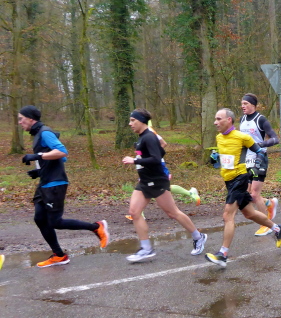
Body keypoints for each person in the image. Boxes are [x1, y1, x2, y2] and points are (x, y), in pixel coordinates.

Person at [18, 105, 109, 268]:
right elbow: (60, 159)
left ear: (31, 119)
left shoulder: (45, 132)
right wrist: (39, 171)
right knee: (39, 218)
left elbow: (62, 152)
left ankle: (97, 227)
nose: (19, 122)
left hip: (55, 183)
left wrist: (37, 156)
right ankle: (59, 255)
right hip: (45, 182)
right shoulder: (38, 134)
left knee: (55, 222)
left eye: (21, 119)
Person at [204, 108, 281, 266]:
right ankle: (277, 228)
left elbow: (260, 152)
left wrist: (256, 166)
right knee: (249, 213)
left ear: (229, 120)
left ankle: (222, 254)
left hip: (240, 179)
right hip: (228, 181)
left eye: (219, 119)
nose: (215, 122)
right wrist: (216, 158)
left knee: (228, 215)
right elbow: (229, 157)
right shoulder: (219, 137)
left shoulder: (242, 137)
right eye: (215, 119)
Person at [121, 108, 207, 262]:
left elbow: (156, 158)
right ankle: (146, 248)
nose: (130, 123)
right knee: (134, 212)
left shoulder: (149, 137)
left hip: (157, 181)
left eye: (133, 120)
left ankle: (198, 236)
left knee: (173, 213)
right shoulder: (142, 138)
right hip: (144, 182)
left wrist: (135, 160)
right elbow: (161, 152)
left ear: (141, 121)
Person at [124, 124, 200, 221]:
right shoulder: (141, 134)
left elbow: (163, 143)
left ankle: (137, 213)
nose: (131, 124)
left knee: (156, 187)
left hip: (156, 166)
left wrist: (153, 154)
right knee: (151, 187)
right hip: (145, 166)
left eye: (134, 120)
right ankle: (137, 213)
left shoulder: (150, 132)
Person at [239, 93, 280, 236]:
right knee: (248, 195)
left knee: (255, 194)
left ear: (253, 105)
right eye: (242, 104)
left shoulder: (260, 119)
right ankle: (269, 203)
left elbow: (275, 139)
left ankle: (266, 225)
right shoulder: (242, 119)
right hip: (246, 159)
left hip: (259, 158)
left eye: (245, 103)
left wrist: (259, 145)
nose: (243, 106)